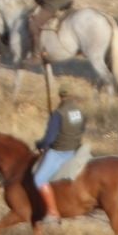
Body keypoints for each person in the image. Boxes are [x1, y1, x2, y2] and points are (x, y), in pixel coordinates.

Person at [32, 86, 88, 225]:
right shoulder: (80, 112)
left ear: (61, 97)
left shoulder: (58, 113)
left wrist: (40, 145)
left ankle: (52, 212)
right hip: (75, 150)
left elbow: (49, 139)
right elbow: (81, 129)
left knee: (39, 179)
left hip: (59, 152)